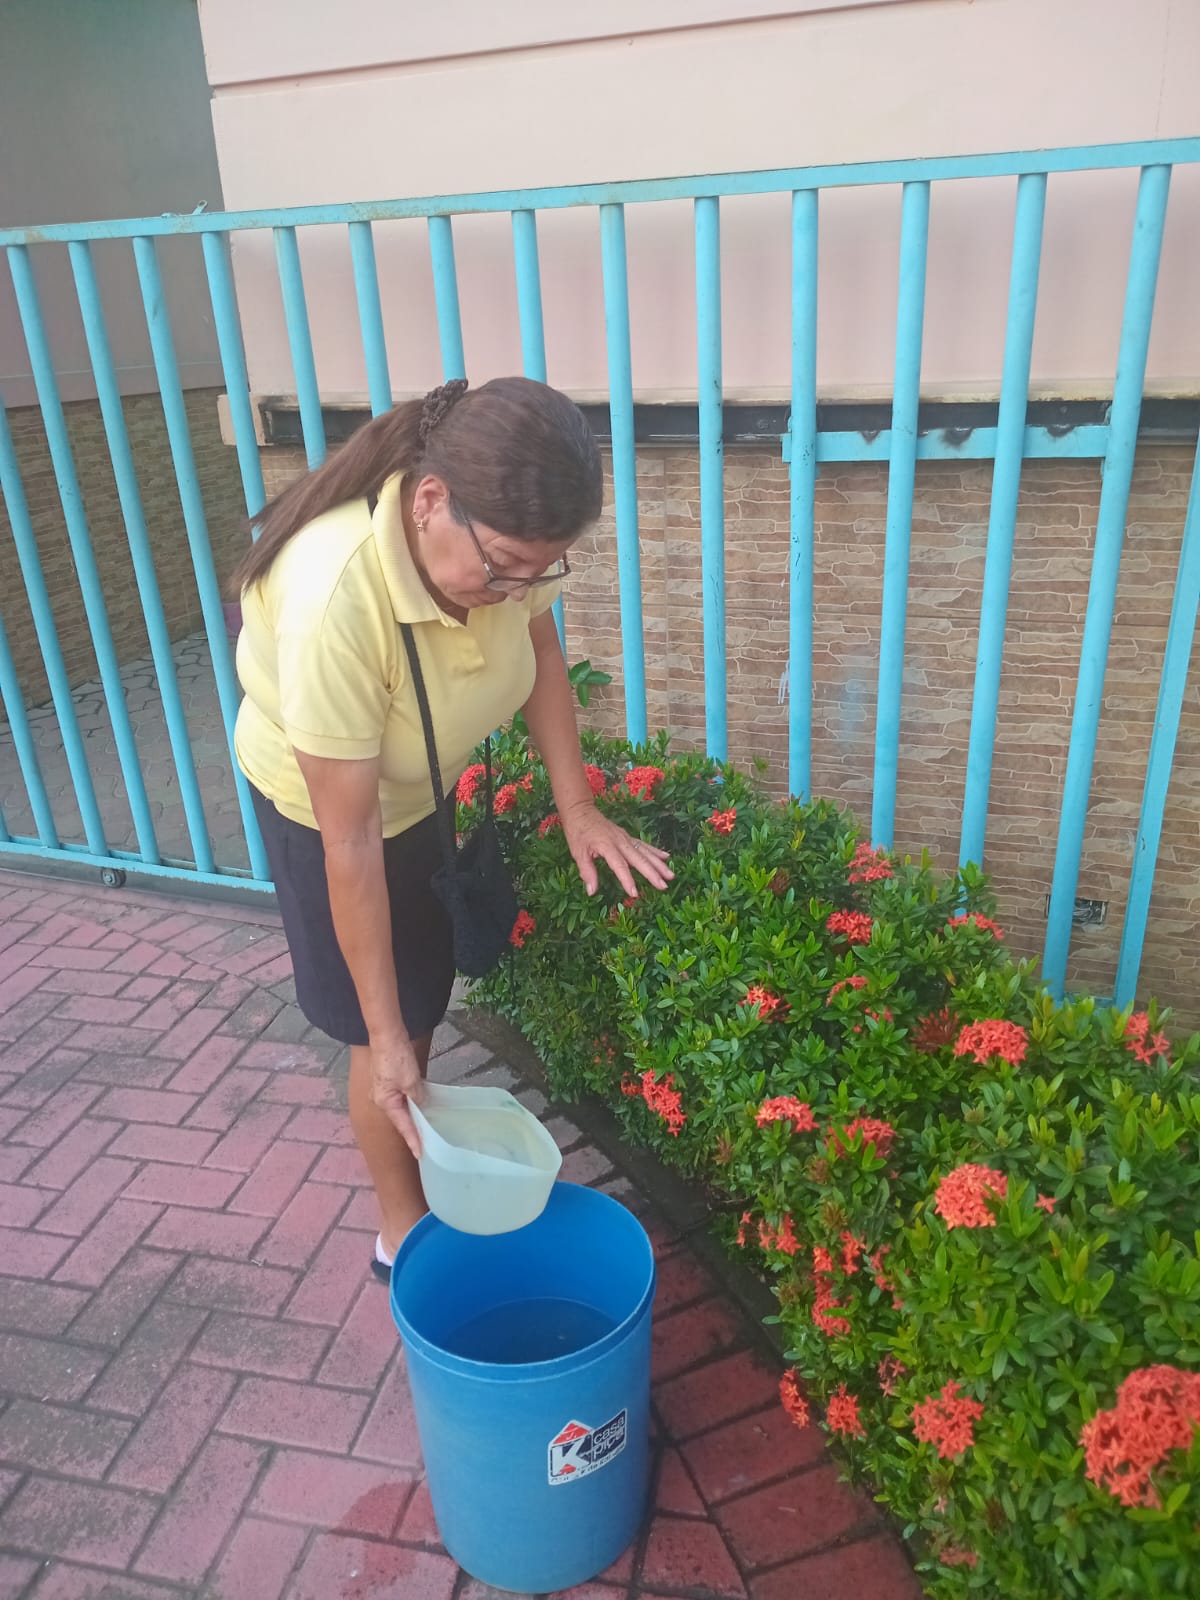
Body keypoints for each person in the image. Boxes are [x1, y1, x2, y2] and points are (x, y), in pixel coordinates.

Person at [232, 376, 672, 1279]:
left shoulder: (505, 553)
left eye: (541, 570)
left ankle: (414, 1105)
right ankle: (403, 1240)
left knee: (418, 1009)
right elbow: (350, 842)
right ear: (430, 502)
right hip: (328, 823)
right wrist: (387, 1036)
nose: (517, 590)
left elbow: (540, 650)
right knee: (382, 1041)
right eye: (504, 567)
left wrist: (579, 809)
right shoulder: (334, 599)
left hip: (419, 794)